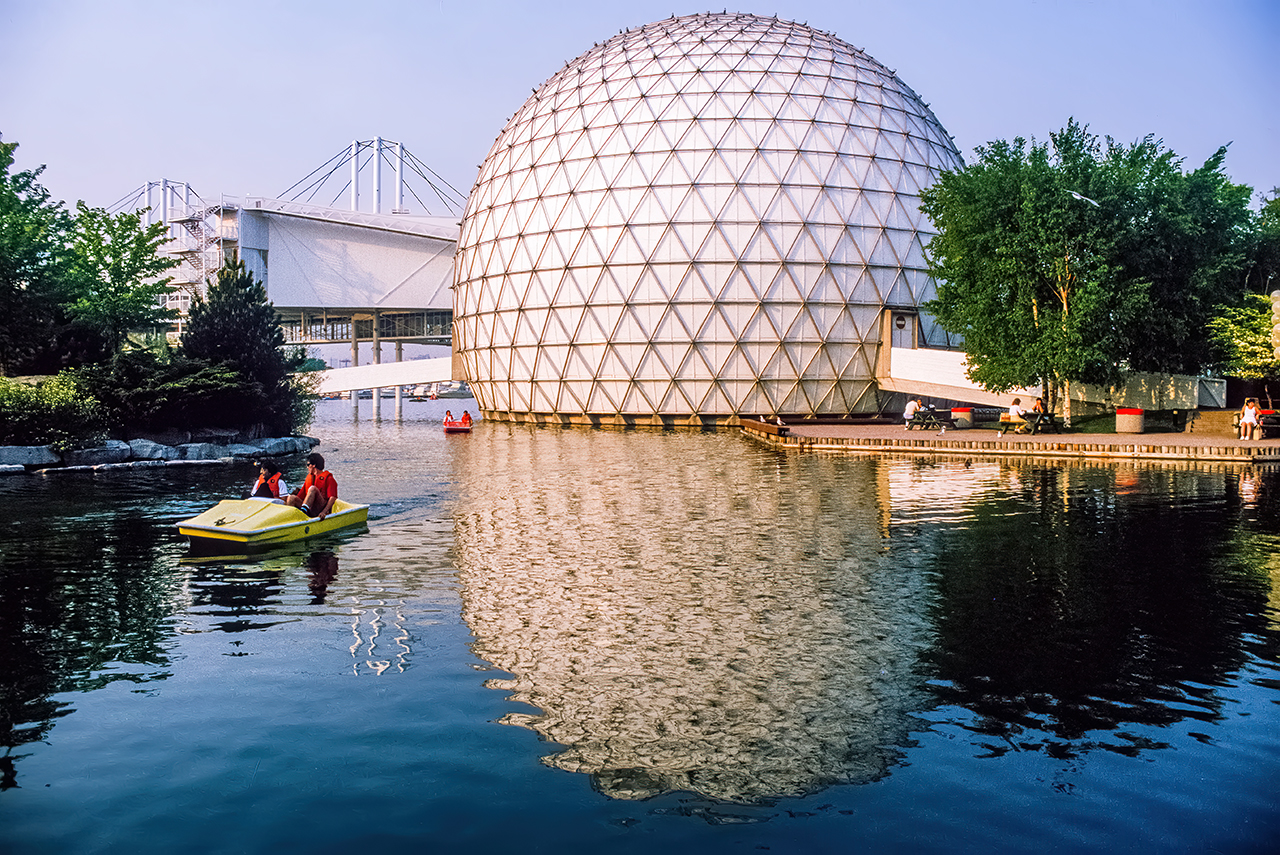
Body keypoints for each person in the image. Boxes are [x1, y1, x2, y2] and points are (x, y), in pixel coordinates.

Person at [284, 452, 338, 520]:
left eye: (308, 464)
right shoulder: (309, 478)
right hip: (309, 508)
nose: (307, 467)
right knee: (291, 498)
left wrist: (324, 512)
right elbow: (300, 496)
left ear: (313, 465)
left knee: (312, 489)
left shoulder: (329, 479)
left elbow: (332, 498)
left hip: (319, 509)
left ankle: (303, 512)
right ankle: (288, 518)